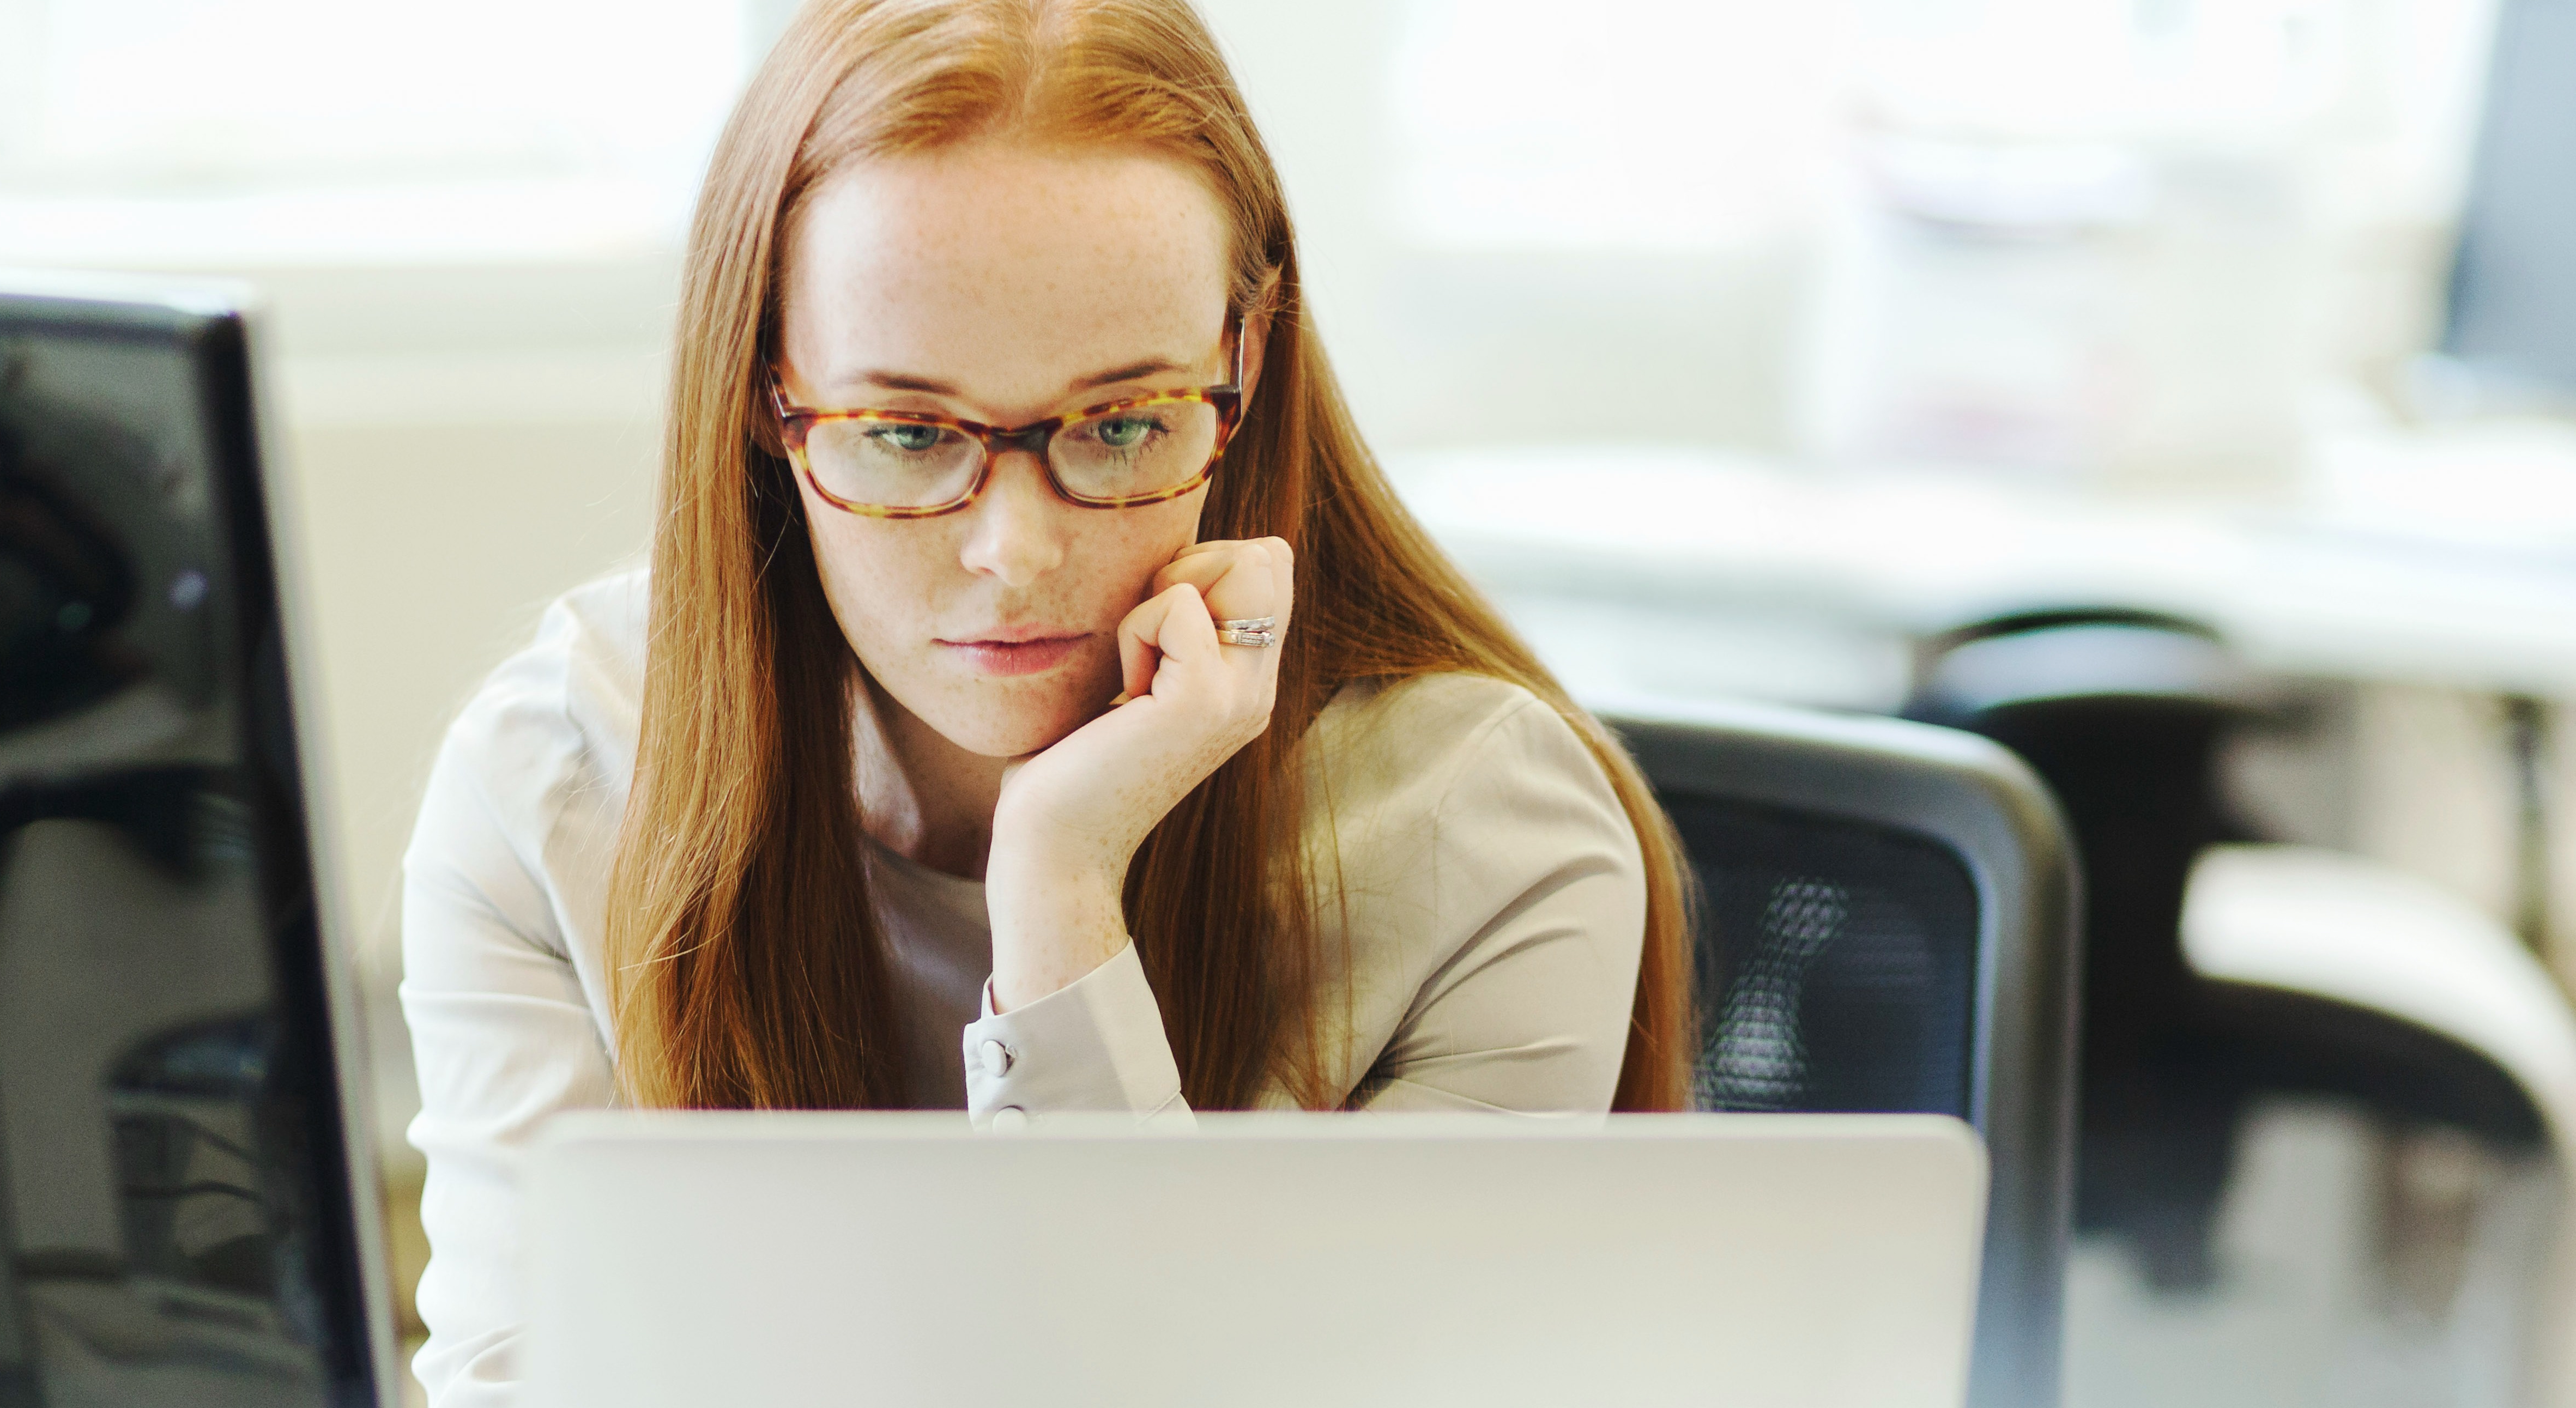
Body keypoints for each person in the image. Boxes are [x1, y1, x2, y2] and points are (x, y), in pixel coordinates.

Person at [398, 0, 1696, 1399]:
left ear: (1244, 364)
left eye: (1124, 422)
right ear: (764, 398)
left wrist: (1063, 893)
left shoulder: (1485, 837)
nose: (1011, 552)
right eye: (904, 432)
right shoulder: (560, 778)